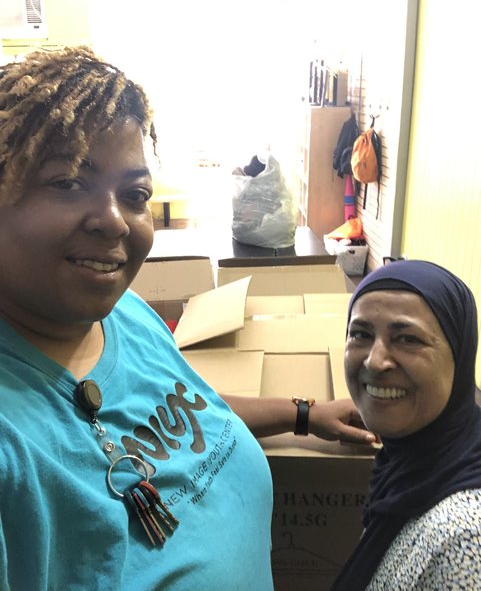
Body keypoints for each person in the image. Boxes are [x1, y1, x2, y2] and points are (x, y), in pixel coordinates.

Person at [0, 46, 375, 591]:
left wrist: (304, 414)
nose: (115, 220)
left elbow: (189, 407)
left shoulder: (124, 315)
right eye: (67, 183)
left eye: (135, 195)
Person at [331, 259, 481, 590]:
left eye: (408, 339)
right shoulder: (417, 463)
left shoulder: (464, 541)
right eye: (361, 334)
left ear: (459, 354)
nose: (375, 361)